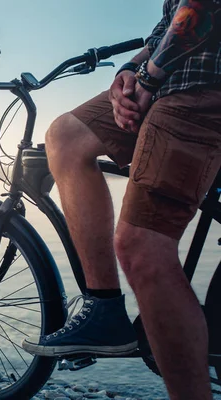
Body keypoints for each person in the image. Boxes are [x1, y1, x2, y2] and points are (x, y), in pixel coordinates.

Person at [21, 0, 221, 398]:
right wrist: (131, 70)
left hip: (203, 86)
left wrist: (146, 79)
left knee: (141, 248)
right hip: (169, 80)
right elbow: (171, 24)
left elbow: (200, 10)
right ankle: (104, 308)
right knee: (67, 135)